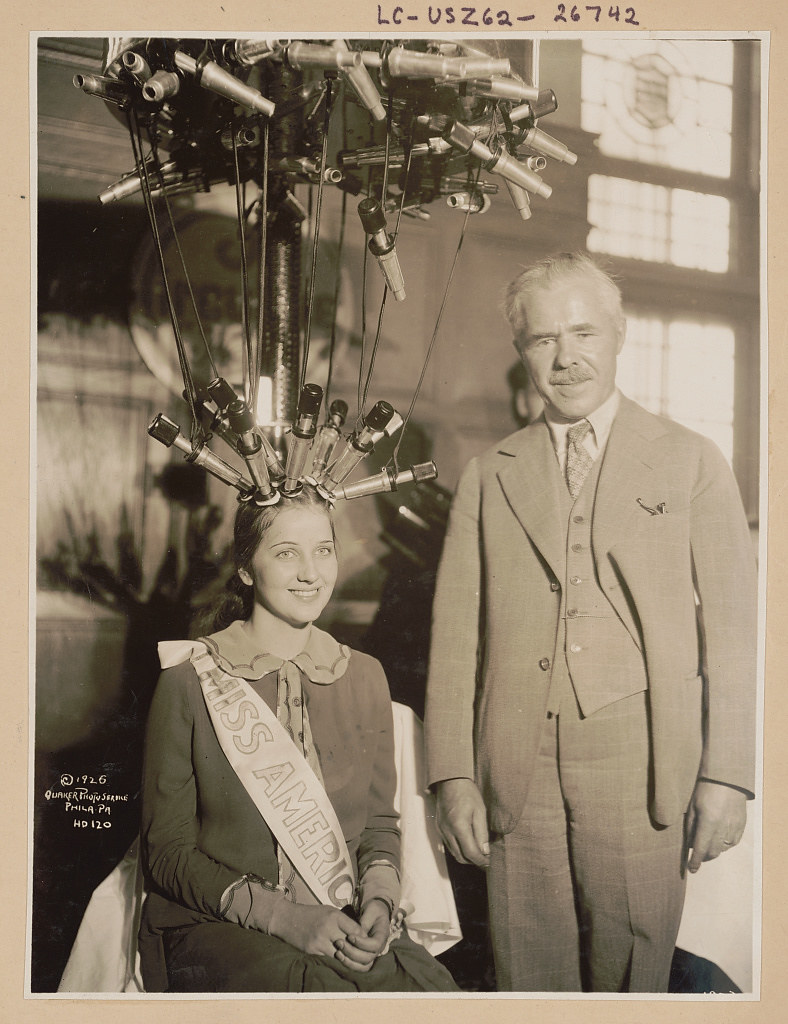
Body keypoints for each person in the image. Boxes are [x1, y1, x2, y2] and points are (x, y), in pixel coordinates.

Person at [424, 252, 758, 993]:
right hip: (515, 766)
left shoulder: (690, 460)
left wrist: (728, 777)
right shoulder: (490, 473)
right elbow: (454, 642)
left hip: (641, 764)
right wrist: (451, 775)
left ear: (617, 335)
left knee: (635, 967)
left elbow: (735, 634)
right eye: (543, 340)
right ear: (522, 355)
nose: (566, 357)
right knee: (524, 966)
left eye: (583, 333)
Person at [137, 485, 458, 993]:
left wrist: (378, 901)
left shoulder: (365, 676)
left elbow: (379, 825)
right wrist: (288, 920)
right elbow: (168, 855)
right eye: (287, 553)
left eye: (323, 550)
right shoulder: (190, 682)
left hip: (340, 920)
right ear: (246, 568)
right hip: (220, 929)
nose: (311, 573)